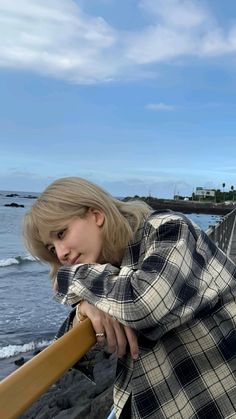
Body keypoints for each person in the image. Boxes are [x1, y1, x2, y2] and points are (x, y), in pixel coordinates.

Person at [23, 176, 236, 419]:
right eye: (51, 248)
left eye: (61, 233)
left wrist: (71, 278)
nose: (61, 253)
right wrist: (84, 309)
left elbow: (143, 303)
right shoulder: (111, 276)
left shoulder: (169, 230)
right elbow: (81, 358)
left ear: (96, 214)